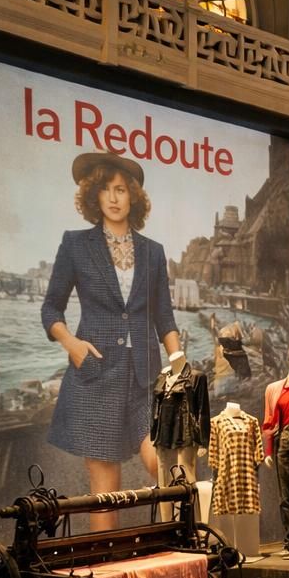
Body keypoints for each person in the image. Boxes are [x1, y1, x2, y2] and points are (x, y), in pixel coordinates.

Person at [42, 152, 179, 530]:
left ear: (133, 196)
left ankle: (180, 547)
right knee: (104, 491)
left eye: (121, 189)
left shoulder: (153, 251)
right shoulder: (75, 244)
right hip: (96, 375)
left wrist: (179, 364)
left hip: (145, 377)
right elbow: (51, 308)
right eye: (105, 189)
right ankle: (106, 560)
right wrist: (71, 343)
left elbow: (164, 316)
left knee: (164, 463)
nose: (114, 197)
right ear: (94, 196)